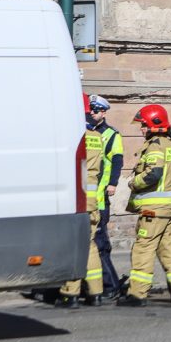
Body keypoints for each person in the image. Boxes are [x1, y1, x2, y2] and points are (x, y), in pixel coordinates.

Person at [118, 104, 171, 307]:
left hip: (152, 210)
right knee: (169, 250)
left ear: (154, 125)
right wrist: (167, 184)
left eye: (143, 125)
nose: (141, 129)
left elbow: (154, 173)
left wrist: (134, 182)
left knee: (143, 249)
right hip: (167, 209)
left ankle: (137, 295)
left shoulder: (154, 146)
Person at [56, 93, 104, 308]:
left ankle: (70, 294)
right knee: (90, 245)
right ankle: (96, 293)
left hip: (76, 199)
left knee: (73, 246)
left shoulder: (74, 136)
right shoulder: (96, 136)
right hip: (92, 199)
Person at [88, 94, 127, 299]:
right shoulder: (86, 131)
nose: (92, 113)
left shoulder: (111, 135)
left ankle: (111, 287)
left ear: (103, 112)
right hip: (89, 196)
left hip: (100, 196)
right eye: (90, 110)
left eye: (95, 110)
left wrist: (113, 183)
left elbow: (117, 161)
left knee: (100, 244)